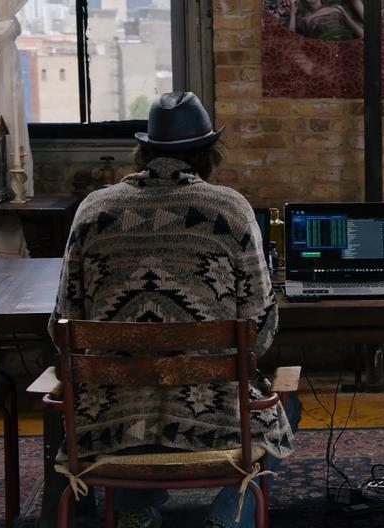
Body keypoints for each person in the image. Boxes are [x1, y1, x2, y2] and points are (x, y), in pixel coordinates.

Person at [49, 92, 295, 528]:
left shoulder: (94, 211)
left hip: (111, 419)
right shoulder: (231, 211)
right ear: (209, 154)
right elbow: (259, 330)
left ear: (143, 152)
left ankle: (134, 507)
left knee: (109, 396)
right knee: (285, 406)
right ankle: (226, 517)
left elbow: (61, 324)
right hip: (218, 416)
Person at [288, 0, 364, 40]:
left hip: (349, 48)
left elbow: (355, 27)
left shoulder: (336, 7)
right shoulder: (304, 19)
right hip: (329, 54)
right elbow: (291, 40)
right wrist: (292, 13)